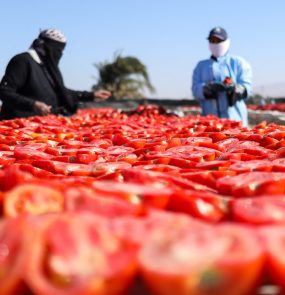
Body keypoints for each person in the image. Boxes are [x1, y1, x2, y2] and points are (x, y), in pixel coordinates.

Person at [0, 29, 111, 120]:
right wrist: (33, 104)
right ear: (48, 48)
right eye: (58, 50)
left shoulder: (47, 67)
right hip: (18, 125)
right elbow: (4, 91)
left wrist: (91, 95)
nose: (60, 54)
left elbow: (60, 92)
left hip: (43, 124)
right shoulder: (23, 61)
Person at [191, 27, 252, 126]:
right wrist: (207, 88)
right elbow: (195, 90)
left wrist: (237, 90)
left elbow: (247, 87)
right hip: (210, 122)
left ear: (227, 42)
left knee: (237, 140)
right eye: (212, 40)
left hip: (235, 120)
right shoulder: (201, 66)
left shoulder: (238, 62)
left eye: (219, 40)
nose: (215, 44)